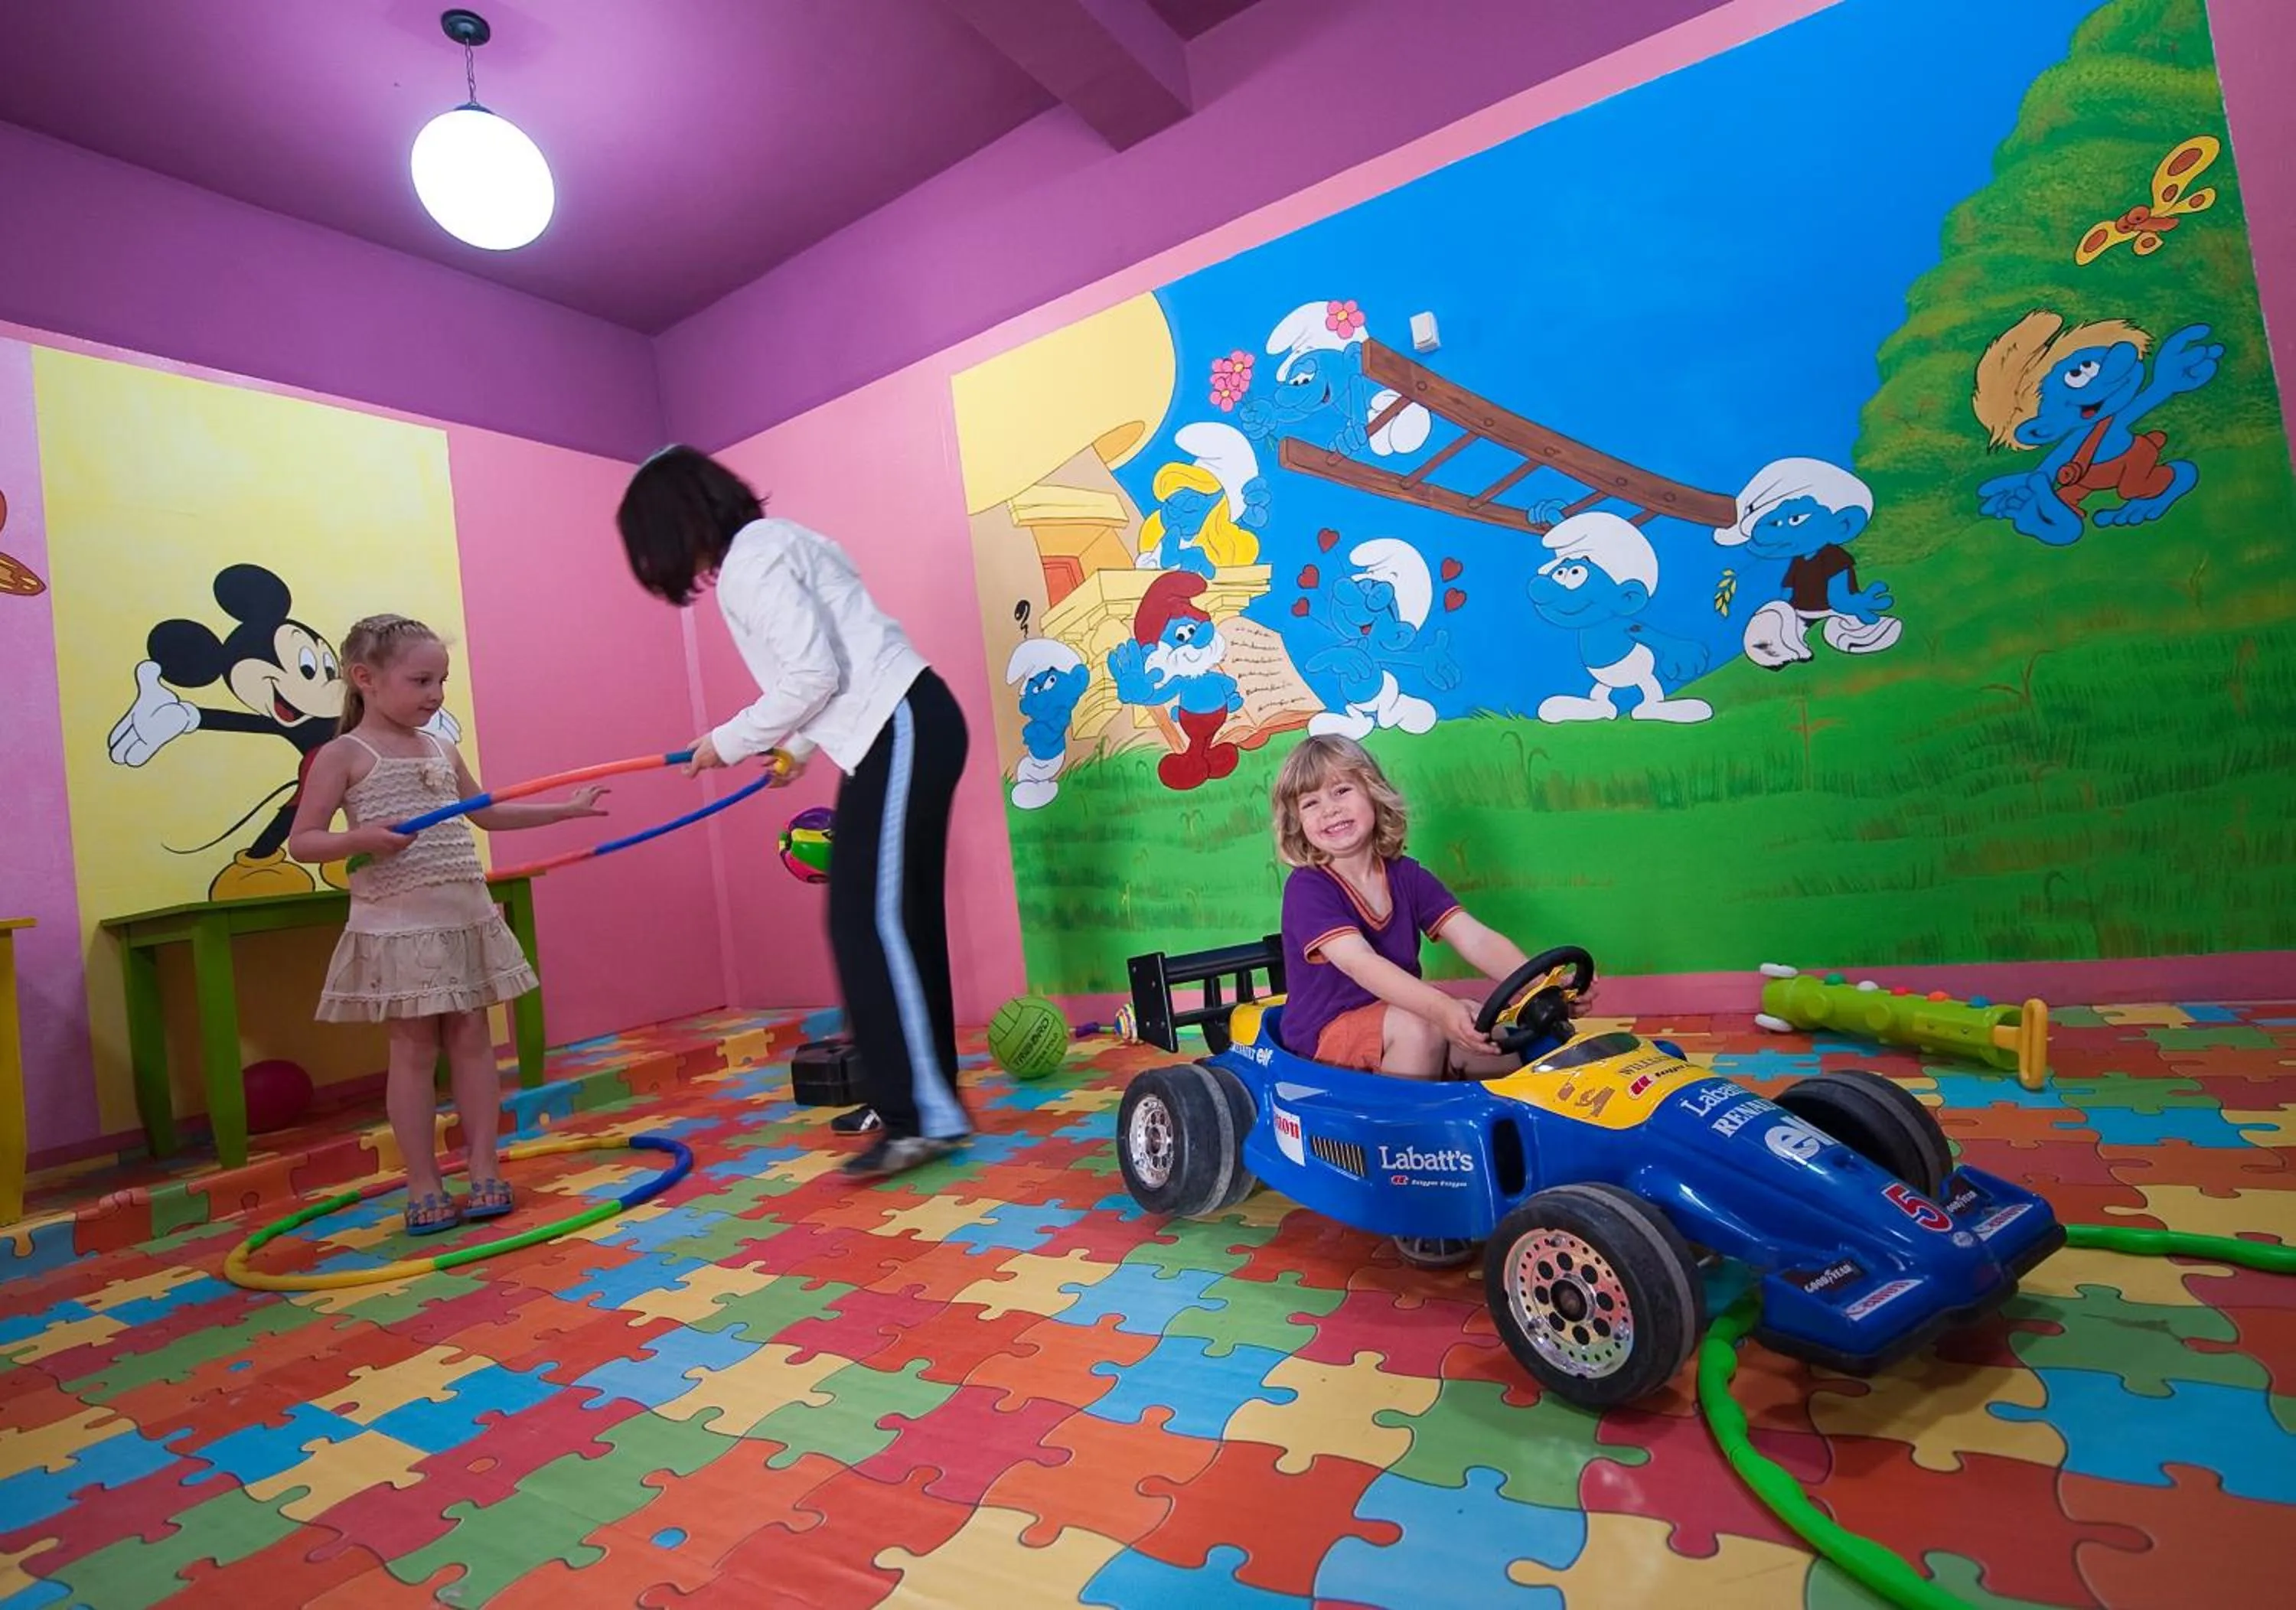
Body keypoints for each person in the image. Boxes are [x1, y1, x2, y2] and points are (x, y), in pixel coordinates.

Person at [616, 445, 972, 1181]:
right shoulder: (777, 542)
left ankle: (920, 1112)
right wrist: (798, 747)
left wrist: (726, 741)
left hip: (899, 721)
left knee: (870, 921)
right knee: (890, 919)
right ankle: (916, 1100)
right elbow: (839, 655)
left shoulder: (752, 560)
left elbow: (815, 673)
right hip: (895, 724)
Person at [288, 615, 606, 1235]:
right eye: (421, 681)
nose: (435, 694)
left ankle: (484, 1166)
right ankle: (423, 1181)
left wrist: (565, 810)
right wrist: (360, 840)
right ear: (365, 679)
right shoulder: (344, 754)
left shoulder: (441, 748)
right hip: (400, 924)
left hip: (463, 915)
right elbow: (304, 841)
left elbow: (487, 815)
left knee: (473, 1039)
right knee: (412, 1049)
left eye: (442, 680)